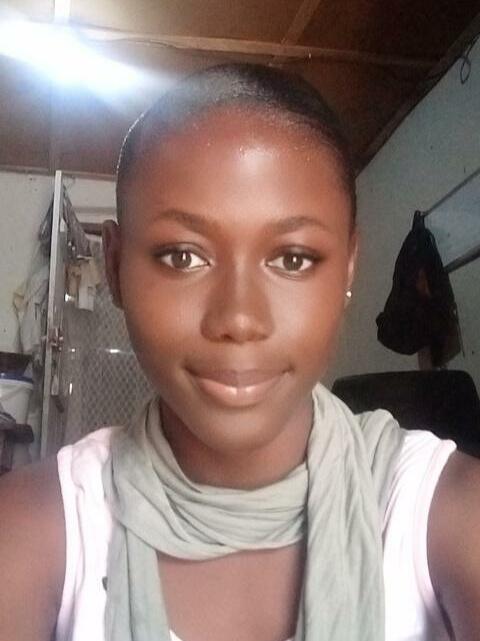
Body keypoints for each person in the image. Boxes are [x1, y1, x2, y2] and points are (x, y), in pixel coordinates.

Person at [0, 63, 479, 641]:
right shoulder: (32, 529)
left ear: (348, 268)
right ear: (116, 266)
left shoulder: (445, 513)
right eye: (183, 256)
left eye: (292, 259)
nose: (238, 319)